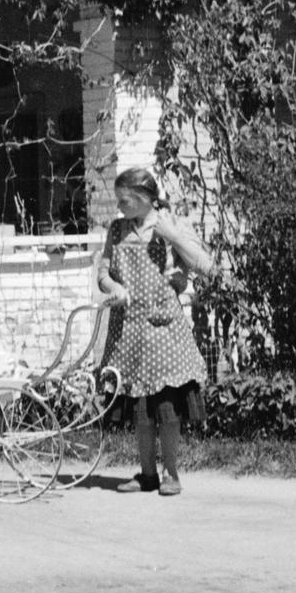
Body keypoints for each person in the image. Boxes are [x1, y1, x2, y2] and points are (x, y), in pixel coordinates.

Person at [97, 166, 215, 496]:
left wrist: (173, 236)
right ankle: (147, 474)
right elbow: (103, 273)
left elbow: (207, 267)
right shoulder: (117, 229)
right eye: (119, 201)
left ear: (147, 199)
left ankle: (172, 475)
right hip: (130, 334)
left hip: (165, 332)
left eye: (126, 201)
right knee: (141, 410)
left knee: (168, 409)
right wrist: (114, 287)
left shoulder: (171, 226)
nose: (120, 207)